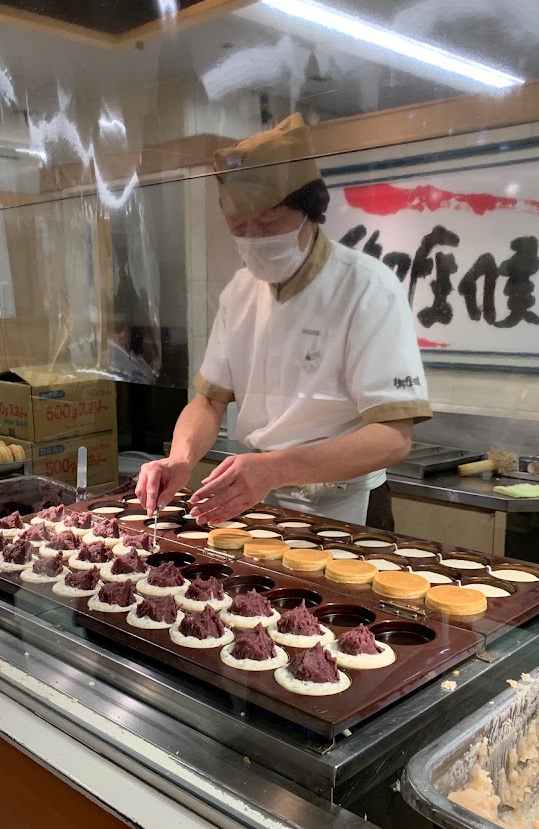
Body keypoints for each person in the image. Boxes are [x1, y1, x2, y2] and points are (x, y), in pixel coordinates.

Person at [137, 113, 432, 527]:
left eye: (269, 223)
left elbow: (393, 437)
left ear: (311, 212)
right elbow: (208, 401)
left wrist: (277, 468)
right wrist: (181, 458)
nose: (254, 239)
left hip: (347, 501)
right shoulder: (239, 291)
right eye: (240, 228)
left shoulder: (367, 288)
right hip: (262, 496)